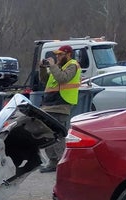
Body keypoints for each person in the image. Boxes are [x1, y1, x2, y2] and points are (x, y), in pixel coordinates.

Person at [39, 44, 81, 172]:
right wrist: (42, 68)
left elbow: (63, 78)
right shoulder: (57, 67)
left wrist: (52, 66)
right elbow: (45, 81)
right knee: (46, 134)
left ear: (68, 54)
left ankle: (62, 162)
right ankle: (52, 161)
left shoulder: (73, 65)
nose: (57, 57)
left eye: (60, 54)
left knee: (57, 135)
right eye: (56, 54)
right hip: (48, 105)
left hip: (61, 105)